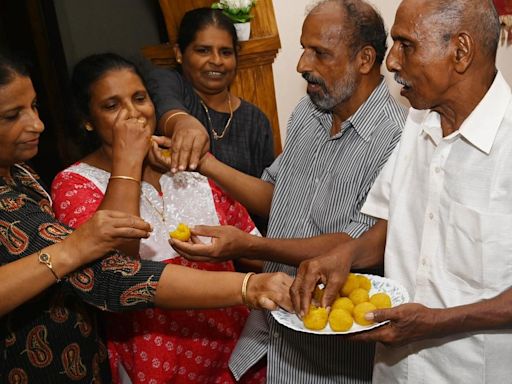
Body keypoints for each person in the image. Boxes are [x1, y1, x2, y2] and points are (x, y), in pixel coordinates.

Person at [0, 51, 292, 384]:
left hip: (237, 347)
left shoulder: (184, 164)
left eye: (140, 98)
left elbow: (254, 249)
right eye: (112, 106)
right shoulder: (73, 183)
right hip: (158, 360)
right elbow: (115, 272)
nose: (133, 113)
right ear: (88, 120)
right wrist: (128, 162)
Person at [164, 1, 407, 382]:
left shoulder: (397, 138)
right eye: (303, 49)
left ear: (364, 59)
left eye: (320, 53)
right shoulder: (309, 112)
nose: (302, 65)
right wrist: (204, 162)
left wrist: (248, 245)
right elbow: (280, 196)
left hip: (328, 353)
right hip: (270, 331)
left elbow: (353, 246)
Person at [291, 0, 512, 383]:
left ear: (460, 51)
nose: (391, 62)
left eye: (405, 44)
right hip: (394, 371)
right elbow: (392, 228)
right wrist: (344, 255)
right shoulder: (418, 120)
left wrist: (438, 322)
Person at [144, 7, 275, 234]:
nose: (216, 61)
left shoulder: (255, 120)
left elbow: (269, 202)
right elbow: (167, 104)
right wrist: (183, 123)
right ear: (179, 53)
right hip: (180, 244)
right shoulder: (169, 84)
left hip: (246, 247)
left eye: (225, 52)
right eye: (203, 50)